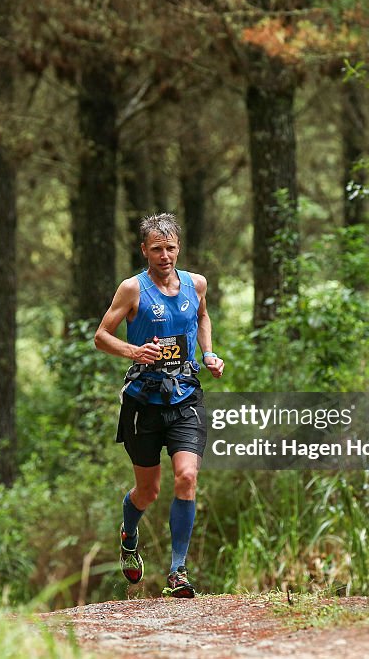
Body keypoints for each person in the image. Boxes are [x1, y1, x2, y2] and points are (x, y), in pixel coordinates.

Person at [94, 212, 225, 598]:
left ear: (178, 248)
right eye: (156, 249)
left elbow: (202, 317)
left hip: (185, 395)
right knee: (147, 492)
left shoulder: (196, 284)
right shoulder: (132, 289)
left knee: (186, 476)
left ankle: (178, 571)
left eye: (170, 248)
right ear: (144, 250)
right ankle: (129, 532)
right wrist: (135, 350)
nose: (164, 256)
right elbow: (101, 336)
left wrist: (210, 354)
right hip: (143, 403)